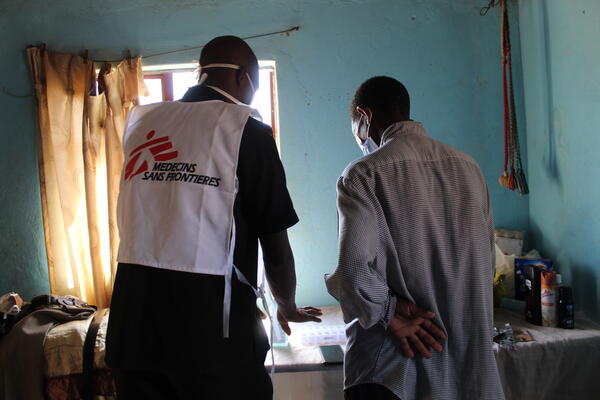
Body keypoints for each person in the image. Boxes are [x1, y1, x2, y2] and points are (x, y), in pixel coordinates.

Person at [106, 36, 321, 400]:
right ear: (245, 78)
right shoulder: (247, 132)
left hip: (133, 330)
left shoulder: (143, 124)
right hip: (210, 340)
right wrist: (286, 304)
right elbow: (275, 243)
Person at [326, 76, 504, 400]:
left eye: (355, 127)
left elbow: (353, 271)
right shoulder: (470, 167)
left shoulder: (363, 174)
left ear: (364, 118)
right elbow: (487, 261)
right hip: (467, 367)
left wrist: (389, 312)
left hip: (394, 370)